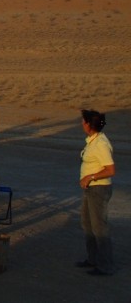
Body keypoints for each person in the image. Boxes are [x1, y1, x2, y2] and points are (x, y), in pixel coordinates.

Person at [76, 109, 116, 276]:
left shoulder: (101, 144)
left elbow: (110, 170)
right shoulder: (93, 140)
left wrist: (90, 177)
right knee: (87, 223)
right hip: (90, 189)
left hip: (98, 189)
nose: (81, 124)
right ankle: (92, 259)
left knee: (99, 228)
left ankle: (105, 266)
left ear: (88, 125)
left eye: (83, 121)